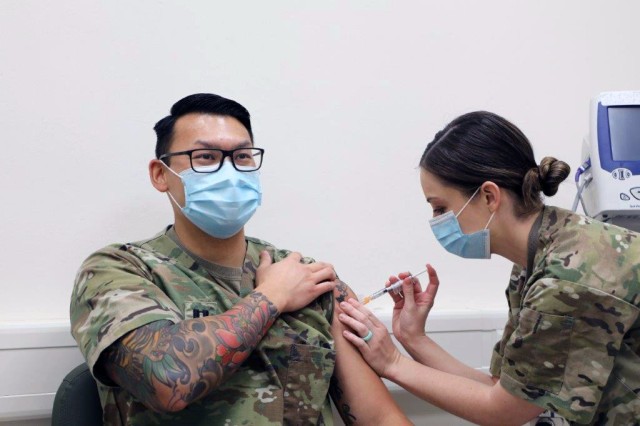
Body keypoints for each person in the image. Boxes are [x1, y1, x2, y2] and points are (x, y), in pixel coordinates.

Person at [70, 93, 410, 425]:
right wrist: (272, 296)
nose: (229, 171)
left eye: (243, 157)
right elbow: (168, 380)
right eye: (205, 157)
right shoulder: (118, 271)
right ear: (161, 175)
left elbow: (378, 417)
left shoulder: (307, 276)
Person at [338, 111, 640, 425]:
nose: (437, 221)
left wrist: (391, 362)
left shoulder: (568, 278)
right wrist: (413, 338)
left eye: (440, 207)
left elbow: (505, 411)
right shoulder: (536, 260)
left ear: (488, 196)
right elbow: (504, 389)